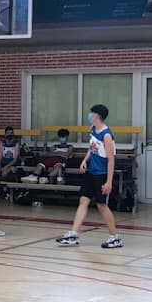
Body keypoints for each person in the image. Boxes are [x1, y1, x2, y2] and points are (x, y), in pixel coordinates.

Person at [56, 105, 122, 248]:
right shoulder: (93, 129)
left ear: (96, 115)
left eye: (91, 112)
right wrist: (85, 160)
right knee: (83, 201)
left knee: (101, 205)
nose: (89, 114)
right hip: (91, 172)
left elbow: (111, 160)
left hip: (101, 174)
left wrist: (109, 182)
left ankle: (115, 237)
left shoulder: (106, 135)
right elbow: (92, 148)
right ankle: (74, 234)